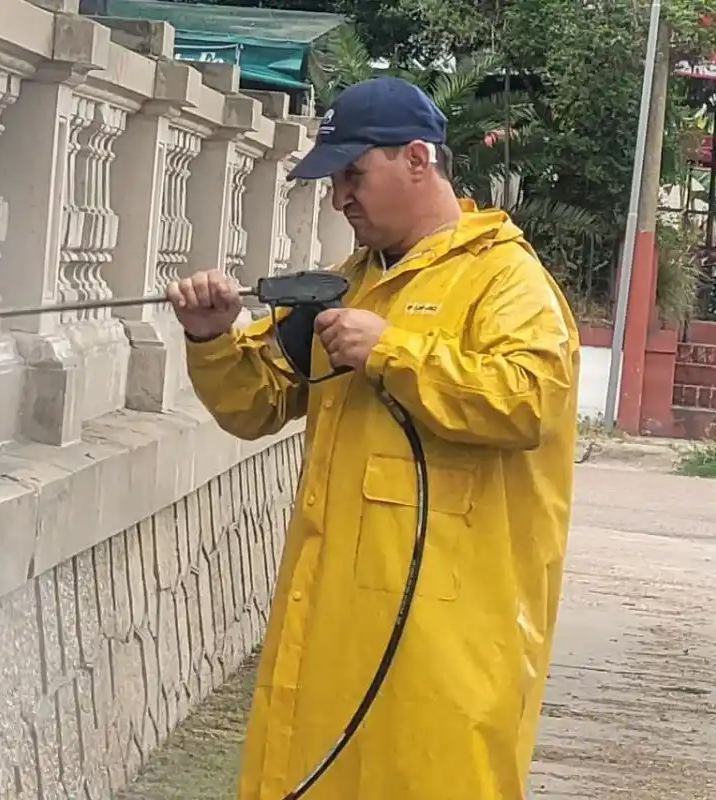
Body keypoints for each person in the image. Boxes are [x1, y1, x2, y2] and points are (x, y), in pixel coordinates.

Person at [165, 75, 580, 799]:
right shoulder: (344, 286)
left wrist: (394, 351)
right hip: (329, 629)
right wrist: (210, 339)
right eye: (333, 181)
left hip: (446, 643)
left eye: (353, 174)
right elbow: (257, 403)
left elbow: (528, 401)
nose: (339, 197)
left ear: (417, 160)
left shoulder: (505, 281)